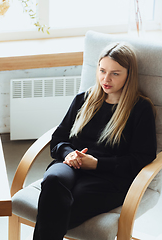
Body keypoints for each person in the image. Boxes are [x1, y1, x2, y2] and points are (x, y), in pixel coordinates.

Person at [33, 42, 157, 240]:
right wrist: (69, 154)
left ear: (129, 74)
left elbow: (142, 157)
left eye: (115, 73)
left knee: (64, 203)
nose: (105, 79)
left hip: (109, 176)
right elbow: (58, 138)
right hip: (71, 164)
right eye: (102, 71)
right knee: (53, 180)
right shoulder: (84, 99)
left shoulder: (140, 109)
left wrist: (97, 164)